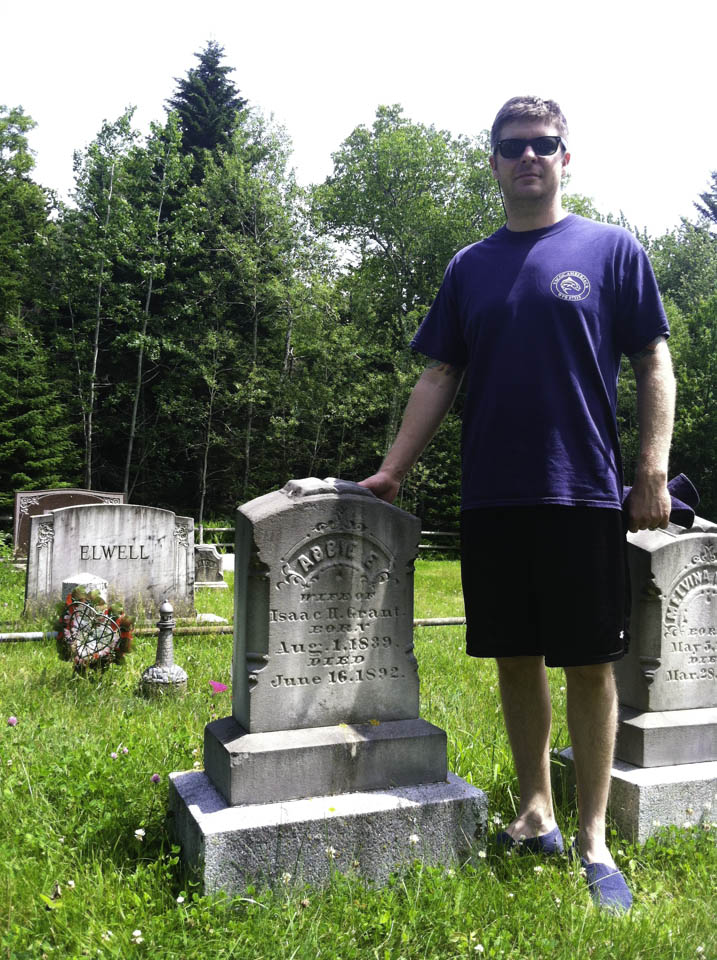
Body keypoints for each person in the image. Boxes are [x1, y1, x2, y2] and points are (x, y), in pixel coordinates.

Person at [360, 96, 675, 912]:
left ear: (566, 157)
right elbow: (438, 375)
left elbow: (652, 362)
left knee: (588, 661)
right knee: (514, 655)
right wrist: (393, 469)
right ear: (494, 162)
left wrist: (649, 469)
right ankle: (535, 810)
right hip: (494, 494)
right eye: (513, 146)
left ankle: (593, 835)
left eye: (543, 144)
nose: (529, 157)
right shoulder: (469, 266)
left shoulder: (610, 251)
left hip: (581, 490)